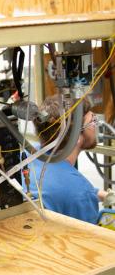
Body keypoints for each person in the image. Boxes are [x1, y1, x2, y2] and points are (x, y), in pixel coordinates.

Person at [24, 94, 114, 224]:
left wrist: (100, 194)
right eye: (93, 121)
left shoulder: (28, 156)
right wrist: (87, 193)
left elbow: (55, 190)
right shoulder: (79, 192)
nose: (96, 125)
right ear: (75, 137)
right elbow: (88, 239)